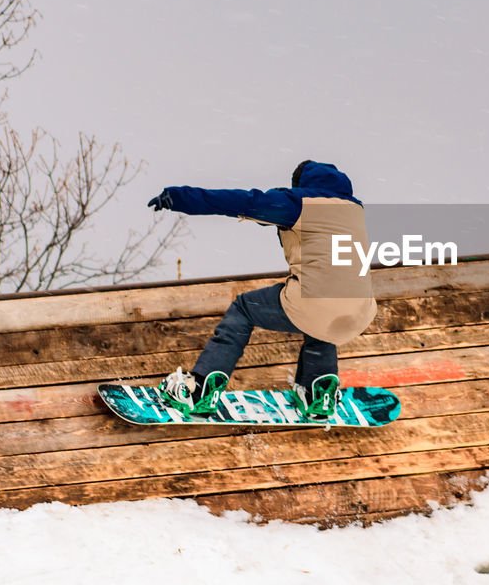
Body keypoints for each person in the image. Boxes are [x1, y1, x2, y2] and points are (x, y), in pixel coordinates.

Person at [147, 160, 377, 419]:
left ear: (300, 185)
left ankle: (200, 389)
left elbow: (242, 202)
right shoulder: (355, 211)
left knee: (244, 308)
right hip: (361, 312)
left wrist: (179, 198)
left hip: (316, 303)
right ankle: (318, 394)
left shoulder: (300, 203)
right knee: (321, 322)